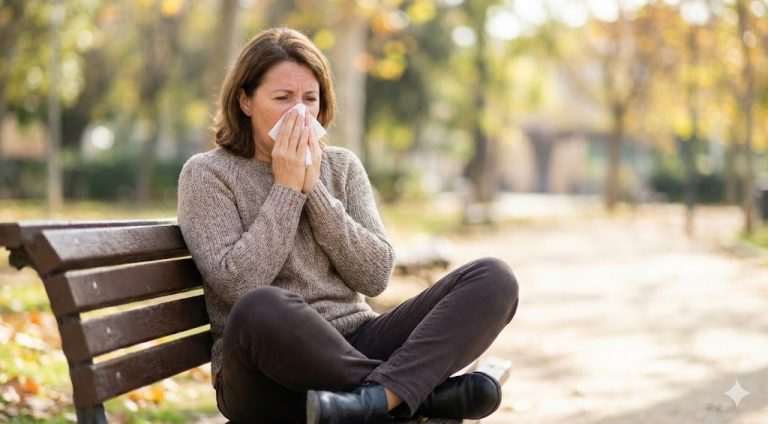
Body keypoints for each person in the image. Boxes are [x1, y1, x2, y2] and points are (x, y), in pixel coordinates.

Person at [177, 27, 519, 424]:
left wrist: (315, 189)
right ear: (245, 101)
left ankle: (377, 401)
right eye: (282, 98)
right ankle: (416, 398)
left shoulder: (341, 167)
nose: (300, 113)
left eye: (310, 99)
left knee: (494, 278)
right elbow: (239, 285)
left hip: (357, 343)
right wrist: (287, 190)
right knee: (259, 305)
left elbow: (375, 276)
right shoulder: (207, 175)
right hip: (262, 375)